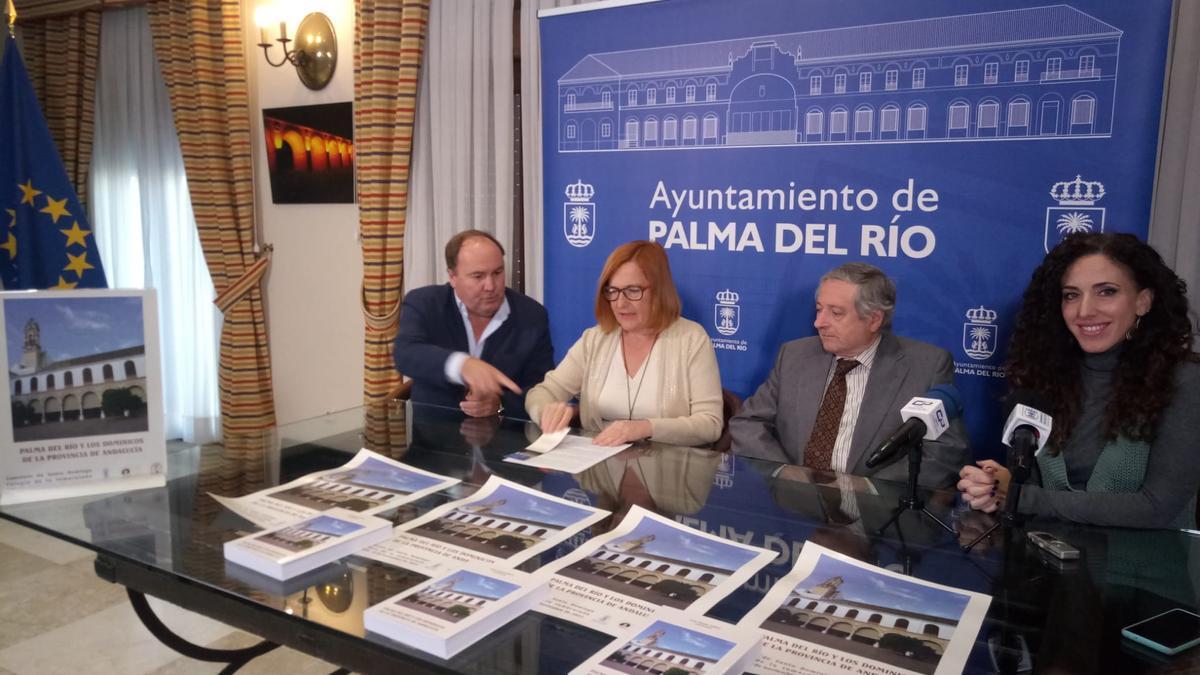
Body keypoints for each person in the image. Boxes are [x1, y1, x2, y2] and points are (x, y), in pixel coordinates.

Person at [958, 233, 1200, 528]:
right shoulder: (1040, 375)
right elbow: (1023, 484)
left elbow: (1156, 507)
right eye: (1071, 295)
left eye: (1107, 291)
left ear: (1143, 302)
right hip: (1038, 566)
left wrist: (1020, 496)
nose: (1085, 311)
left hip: (1140, 570)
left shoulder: (1184, 381)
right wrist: (994, 487)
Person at [730, 262, 969, 487]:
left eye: (835, 313)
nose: (818, 322)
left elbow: (945, 451)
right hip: (794, 505)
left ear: (874, 319)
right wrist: (783, 471)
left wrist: (869, 489)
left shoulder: (925, 366)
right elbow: (748, 424)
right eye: (819, 309)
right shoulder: (795, 355)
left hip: (877, 514)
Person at [526, 241, 723, 447]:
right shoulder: (595, 339)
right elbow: (540, 394)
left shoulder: (691, 339)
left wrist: (643, 428)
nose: (620, 303)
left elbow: (710, 424)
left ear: (659, 290)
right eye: (613, 291)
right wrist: (544, 412)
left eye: (633, 290)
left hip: (667, 469)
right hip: (597, 468)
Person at [393, 230, 554, 418]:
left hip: (505, 439)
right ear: (453, 277)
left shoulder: (531, 315)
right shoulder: (425, 303)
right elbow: (405, 353)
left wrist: (500, 404)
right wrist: (462, 364)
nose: (490, 286)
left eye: (497, 273)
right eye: (478, 276)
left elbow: (541, 387)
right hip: (435, 438)